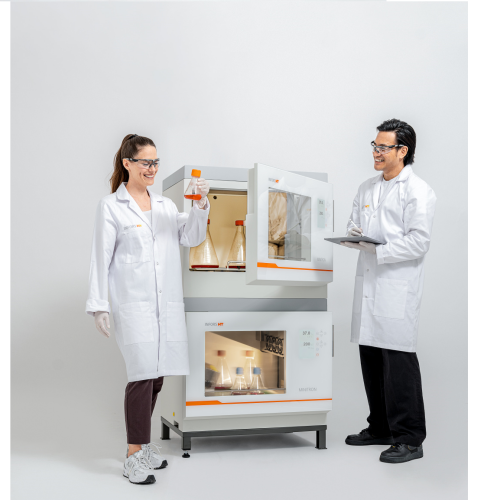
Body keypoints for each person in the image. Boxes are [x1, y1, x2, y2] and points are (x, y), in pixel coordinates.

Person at [85, 134, 210, 484]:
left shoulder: (166, 206)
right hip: (133, 305)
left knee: (156, 376)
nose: (152, 168)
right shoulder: (111, 206)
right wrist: (99, 305)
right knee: (141, 376)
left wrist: (201, 204)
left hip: (164, 305)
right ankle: (133, 454)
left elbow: (192, 237)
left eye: (156, 162)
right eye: (146, 162)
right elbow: (100, 257)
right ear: (128, 163)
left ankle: (142, 445)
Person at [341, 119, 436, 464]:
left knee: (398, 363)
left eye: (383, 147)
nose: (376, 152)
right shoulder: (367, 187)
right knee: (371, 359)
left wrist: (379, 250)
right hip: (369, 283)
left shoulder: (418, 191)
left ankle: (410, 438)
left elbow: (419, 241)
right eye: (375, 146)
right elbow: (355, 223)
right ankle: (380, 427)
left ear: (402, 150)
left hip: (396, 288)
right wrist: (354, 236)